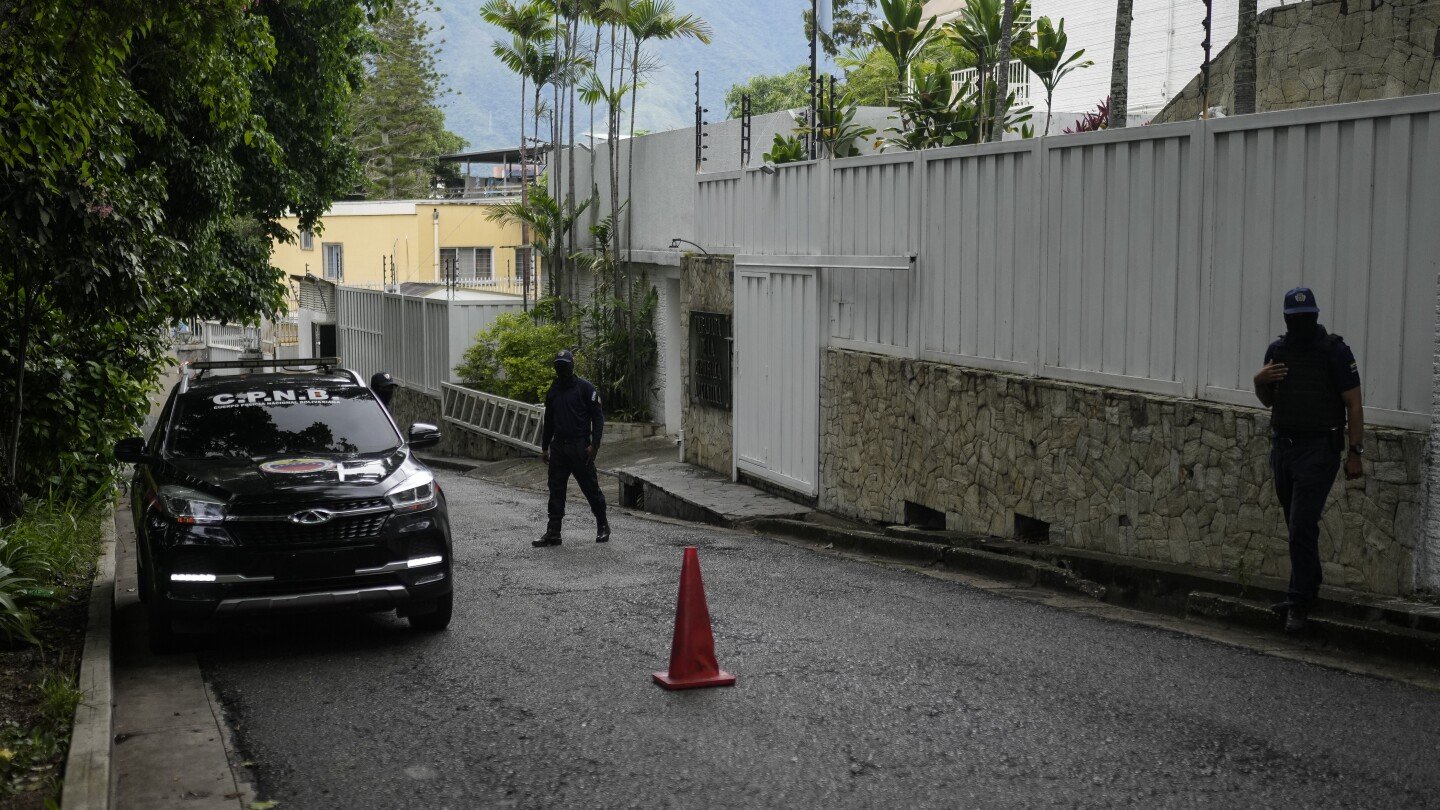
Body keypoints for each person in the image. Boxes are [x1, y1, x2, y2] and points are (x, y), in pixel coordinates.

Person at [1253, 287, 1363, 633]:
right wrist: (1259, 380)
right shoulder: (1278, 351)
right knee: (1296, 523)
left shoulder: (1335, 352)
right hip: (1283, 448)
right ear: (1287, 319)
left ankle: (1299, 601)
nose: (1301, 322)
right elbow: (1267, 402)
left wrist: (1355, 454)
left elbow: (1354, 405)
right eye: (1295, 317)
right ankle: (1308, 586)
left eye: (1306, 316)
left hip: (1319, 449)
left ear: (1315, 316)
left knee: (1301, 524)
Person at [534, 349, 610, 546]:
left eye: (564, 366)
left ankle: (602, 525)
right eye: (558, 366)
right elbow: (548, 421)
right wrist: (544, 447)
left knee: (590, 488)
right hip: (558, 447)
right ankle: (553, 532)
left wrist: (595, 445)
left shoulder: (585, 388)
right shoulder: (554, 391)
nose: (561, 369)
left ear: (571, 366)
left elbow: (598, 418)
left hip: (579, 447)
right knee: (556, 489)